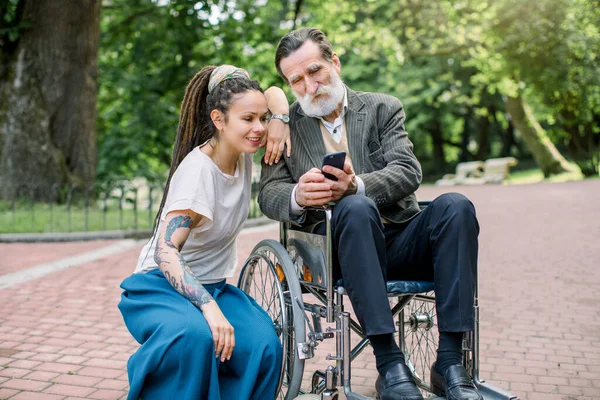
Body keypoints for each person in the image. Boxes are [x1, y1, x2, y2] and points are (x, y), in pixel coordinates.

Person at [259, 28, 483, 400]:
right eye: (295, 80)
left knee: (456, 206)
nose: (308, 85)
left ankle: (449, 361)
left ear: (335, 62)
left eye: (315, 71)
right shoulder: (284, 128)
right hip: (337, 251)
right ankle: (389, 362)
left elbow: (408, 170)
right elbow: (268, 194)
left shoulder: (382, 107)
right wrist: (299, 194)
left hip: (398, 237)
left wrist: (356, 184)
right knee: (354, 208)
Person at [118, 65, 283, 400]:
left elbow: (275, 93)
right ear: (218, 120)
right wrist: (209, 309)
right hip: (160, 285)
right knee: (193, 337)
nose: (259, 128)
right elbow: (166, 253)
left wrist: (280, 117)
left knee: (264, 345)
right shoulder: (198, 173)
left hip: (214, 286)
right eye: (248, 119)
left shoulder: (242, 152)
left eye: (263, 119)